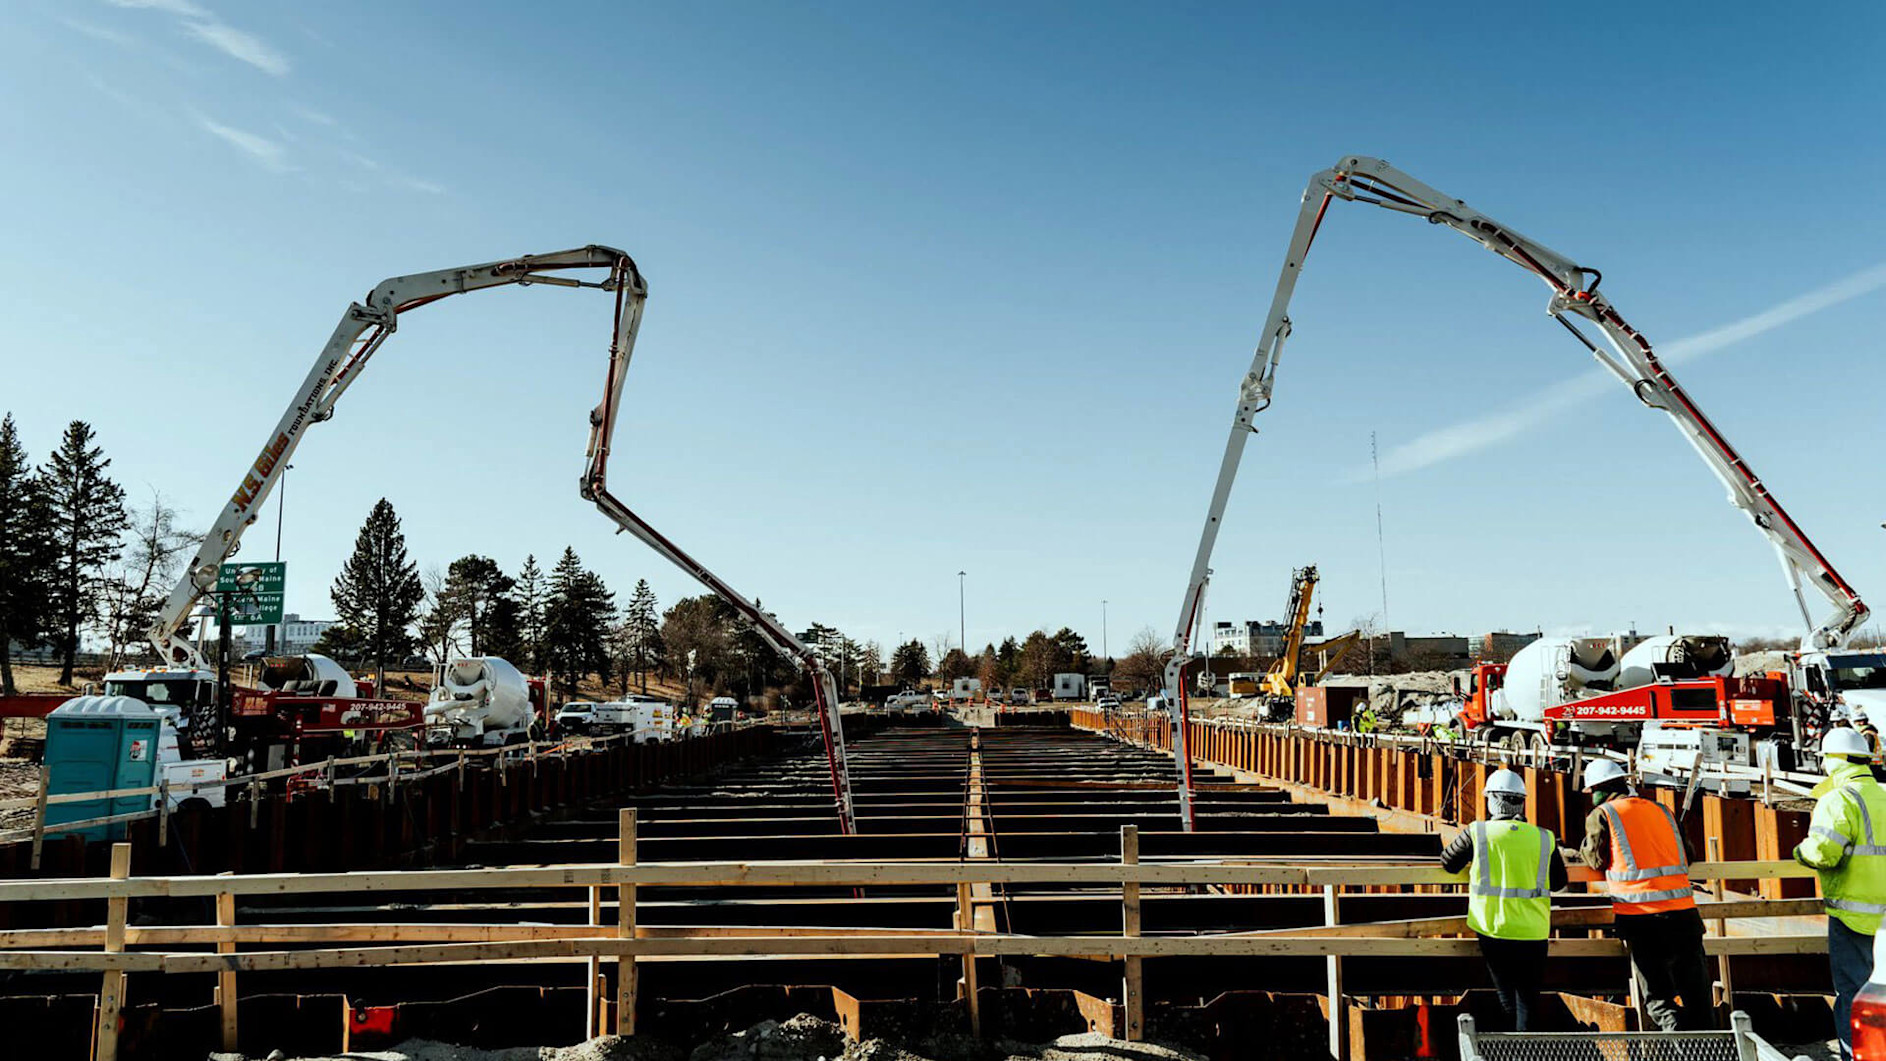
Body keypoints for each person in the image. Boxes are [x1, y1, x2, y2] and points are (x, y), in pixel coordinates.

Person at [1578, 759, 1714, 1032]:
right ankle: (1712, 1047)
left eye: (1593, 791)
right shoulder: (1663, 811)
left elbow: (1594, 859)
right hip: (1685, 915)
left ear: (1601, 790)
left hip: (1642, 919)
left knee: (1659, 998)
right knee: (1697, 995)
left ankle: (1684, 1051)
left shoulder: (1604, 813)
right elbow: (1688, 855)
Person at [1441, 768, 1568, 1031]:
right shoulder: (1543, 838)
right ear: (1521, 802)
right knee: (1528, 1001)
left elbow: (1449, 863)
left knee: (1507, 998)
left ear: (1493, 800)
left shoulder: (1479, 832)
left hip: (1493, 929)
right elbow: (1559, 881)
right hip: (1534, 931)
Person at [1794, 728, 1886, 1061]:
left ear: (1834, 761)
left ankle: (1857, 1056)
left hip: (1853, 917)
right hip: (1884, 920)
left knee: (1853, 996)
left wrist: (1800, 854)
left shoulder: (1838, 799)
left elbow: (1823, 852)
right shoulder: (1883, 795)